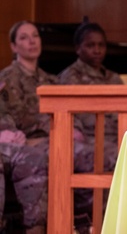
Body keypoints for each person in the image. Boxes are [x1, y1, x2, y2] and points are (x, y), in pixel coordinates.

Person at [58, 21, 124, 229]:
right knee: (113, 156)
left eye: (101, 45)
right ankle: (103, 225)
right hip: (91, 139)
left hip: (119, 135)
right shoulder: (71, 77)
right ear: (78, 48)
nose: (97, 50)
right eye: (90, 45)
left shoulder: (113, 78)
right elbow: (70, 119)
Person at [0, 21, 53, 234]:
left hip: (16, 141)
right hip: (30, 138)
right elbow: (20, 114)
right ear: (13, 46)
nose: (31, 41)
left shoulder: (51, 79)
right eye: (24, 37)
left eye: (35, 36)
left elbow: (4, 112)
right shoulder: (8, 77)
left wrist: (8, 130)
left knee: (33, 157)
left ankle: (37, 228)